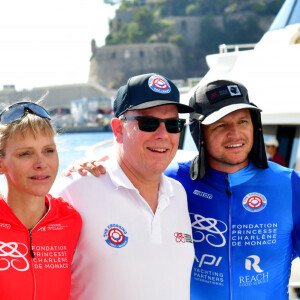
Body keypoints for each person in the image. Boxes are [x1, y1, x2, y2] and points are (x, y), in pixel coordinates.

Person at [70, 79, 300, 300]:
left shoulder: (289, 184)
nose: (235, 134)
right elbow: (132, 168)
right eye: (220, 125)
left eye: (243, 121)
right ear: (199, 133)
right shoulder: (174, 182)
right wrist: (92, 169)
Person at [54, 73, 195, 300]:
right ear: (118, 129)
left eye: (173, 124)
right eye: (148, 123)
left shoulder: (179, 194)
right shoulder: (75, 191)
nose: (163, 135)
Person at [0, 101, 82, 300]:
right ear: (1, 164)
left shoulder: (72, 220)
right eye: (25, 153)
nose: (41, 163)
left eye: (48, 151)